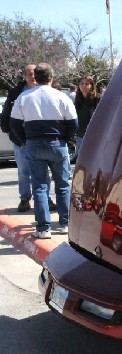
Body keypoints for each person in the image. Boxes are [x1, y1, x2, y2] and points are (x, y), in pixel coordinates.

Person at [9, 63, 78, 238]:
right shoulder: (61, 97)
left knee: (39, 187)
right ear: (51, 77)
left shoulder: (24, 97)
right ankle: (64, 223)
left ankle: (43, 228)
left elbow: (14, 124)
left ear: (36, 77)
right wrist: (65, 139)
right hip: (56, 143)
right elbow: (73, 123)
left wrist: (25, 141)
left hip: (33, 144)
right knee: (62, 185)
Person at [0, 64, 57, 212]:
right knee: (24, 172)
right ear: (24, 77)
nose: (33, 77)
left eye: (35, 74)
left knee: (43, 172)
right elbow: (7, 113)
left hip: (40, 139)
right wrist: (7, 129)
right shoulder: (16, 93)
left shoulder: (47, 91)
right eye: (30, 74)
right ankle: (25, 199)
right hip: (21, 140)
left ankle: (46, 198)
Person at [73, 75, 100, 159]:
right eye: (82, 83)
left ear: (92, 86)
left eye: (87, 84)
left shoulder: (98, 98)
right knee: (82, 161)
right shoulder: (78, 100)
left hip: (95, 136)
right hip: (80, 135)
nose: (84, 86)